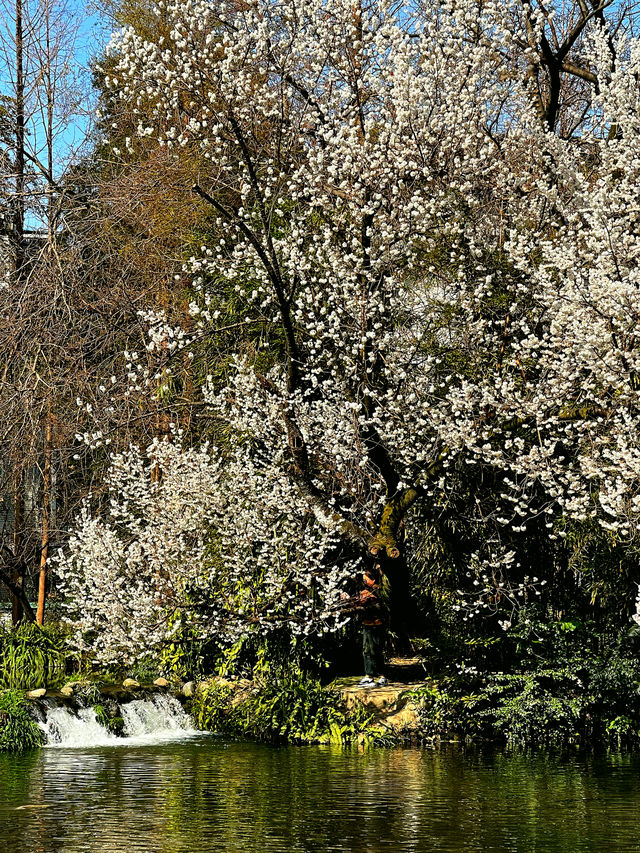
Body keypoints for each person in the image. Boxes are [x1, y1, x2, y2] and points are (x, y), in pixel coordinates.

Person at [343, 565, 390, 688]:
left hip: (375, 625)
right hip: (368, 624)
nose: (364, 581)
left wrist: (351, 600)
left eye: (366, 579)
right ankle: (376, 676)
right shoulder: (367, 592)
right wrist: (349, 600)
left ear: (373, 579)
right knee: (369, 650)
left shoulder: (378, 592)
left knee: (372, 650)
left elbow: (364, 604)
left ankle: (372, 676)